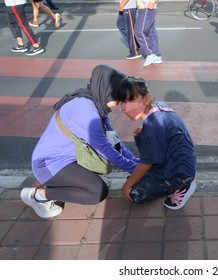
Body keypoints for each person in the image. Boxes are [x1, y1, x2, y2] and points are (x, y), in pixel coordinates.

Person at [20, 65, 140, 219]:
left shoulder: (94, 102)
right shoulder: (86, 113)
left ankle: (58, 182)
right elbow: (107, 150)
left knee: (98, 171)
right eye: (118, 99)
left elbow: (113, 141)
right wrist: (136, 171)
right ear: (108, 94)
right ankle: (38, 196)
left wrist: (138, 163)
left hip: (69, 158)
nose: (119, 104)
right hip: (49, 164)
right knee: (97, 192)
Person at [120, 76, 196, 210]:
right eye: (122, 101)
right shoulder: (159, 106)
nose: (125, 108)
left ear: (147, 98)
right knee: (140, 136)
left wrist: (128, 185)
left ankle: (184, 185)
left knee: (134, 194)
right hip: (175, 160)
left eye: (131, 100)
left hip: (180, 172)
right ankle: (157, 177)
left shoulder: (153, 126)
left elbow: (145, 163)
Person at [134, 0, 162, 66]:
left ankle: (150, 53)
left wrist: (152, 1)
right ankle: (156, 55)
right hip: (144, 7)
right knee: (151, 32)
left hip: (146, 6)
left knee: (139, 32)